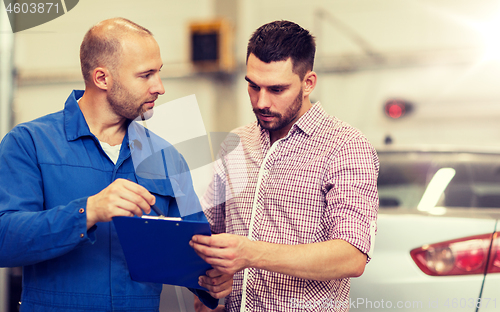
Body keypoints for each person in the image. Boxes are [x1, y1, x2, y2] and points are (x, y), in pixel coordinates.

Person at [0, 18, 231, 311]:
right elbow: (3, 238)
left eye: (158, 73)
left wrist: (213, 279)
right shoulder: (30, 143)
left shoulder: (166, 157)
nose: (159, 87)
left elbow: (195, 252)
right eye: (145, 75)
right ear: (102, 78)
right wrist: (89, 211)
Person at [190, 20, 379, 312]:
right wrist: (209, 292)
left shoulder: (345, 146)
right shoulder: (236, 142)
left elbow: (351, 256)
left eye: (277, 89)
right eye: (253, 86)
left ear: (308, 83)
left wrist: (251, 253)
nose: (261, 102)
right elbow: (210, 231)